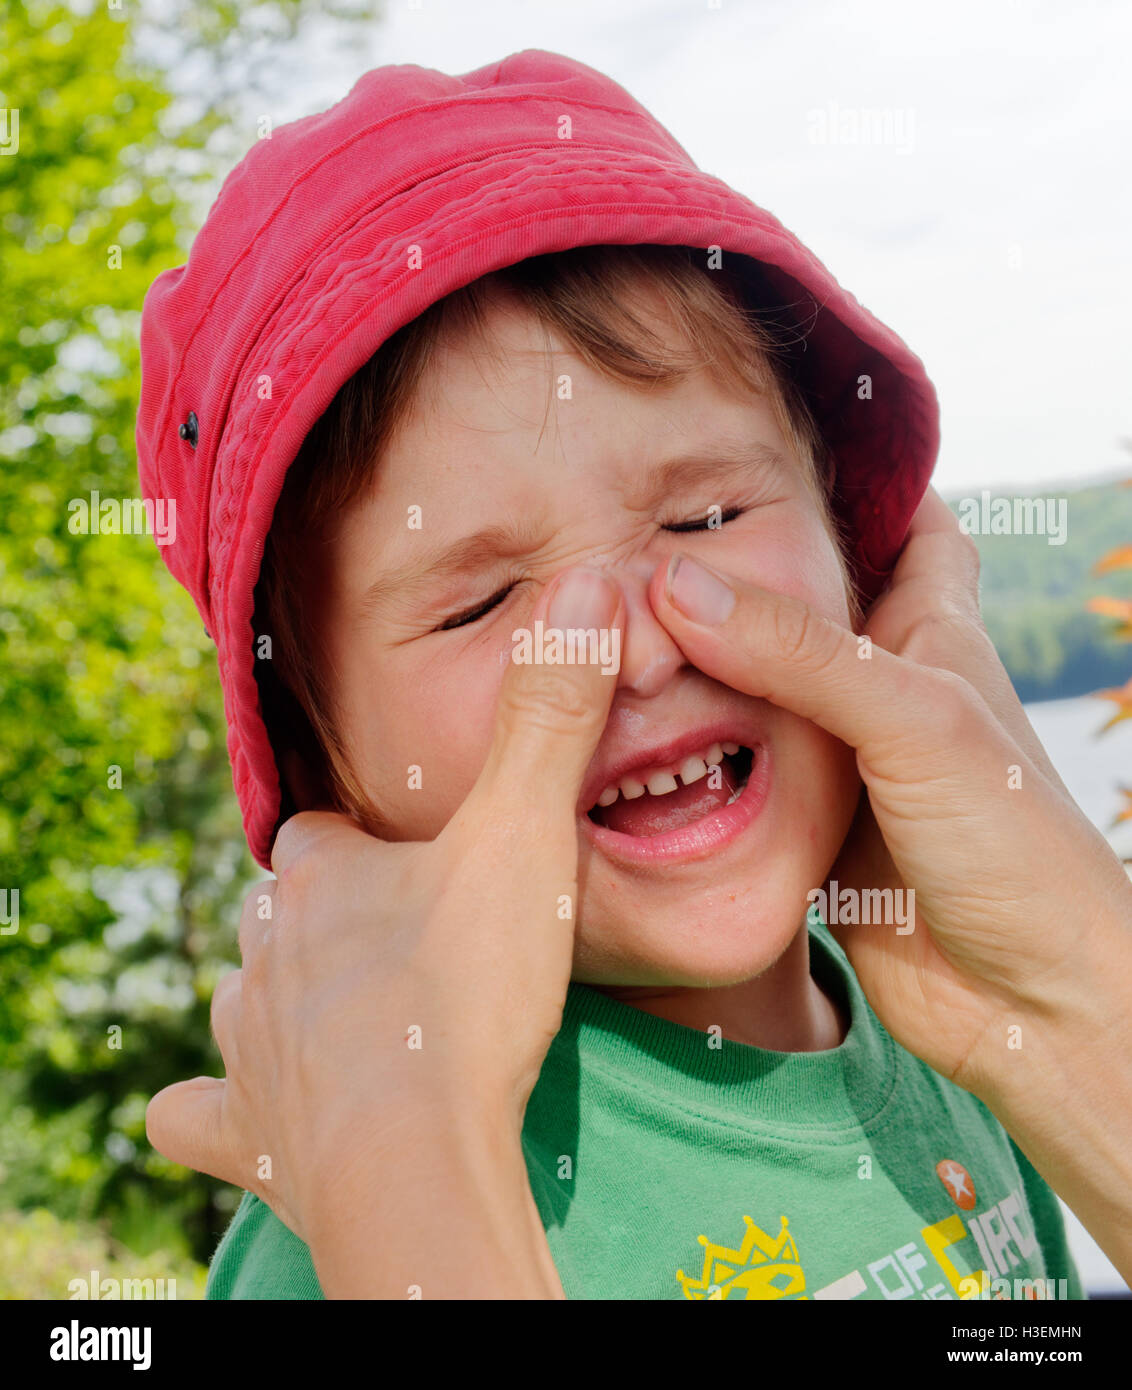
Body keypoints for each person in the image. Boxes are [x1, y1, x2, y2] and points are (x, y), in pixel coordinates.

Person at [136, 51, 1129, 1300]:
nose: (639, 649)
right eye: (480, 600)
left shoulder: (959, 1046)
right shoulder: (349, 1214)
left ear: (854, 556)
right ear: (325, 772)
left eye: (709, 515)